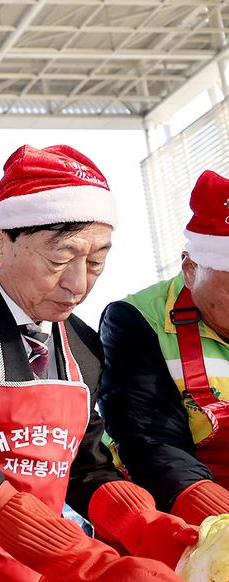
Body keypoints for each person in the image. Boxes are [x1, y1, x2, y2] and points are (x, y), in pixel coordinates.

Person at [0, 144, 195, 582]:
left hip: (43, 571)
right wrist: (93, 563)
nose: (78, 284)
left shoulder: (83, 346)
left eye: (95, 262)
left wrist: (147, 526)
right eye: (59, 260)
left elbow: (86, 469)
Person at [100, 169, 229, 527]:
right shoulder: (137, 321)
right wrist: (214, 516)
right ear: (190, 268)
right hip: (172, 504)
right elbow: (148, 437)